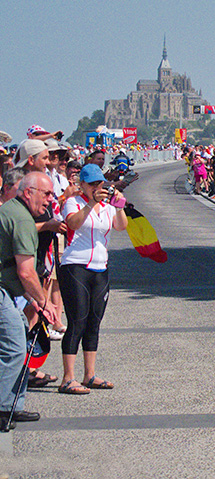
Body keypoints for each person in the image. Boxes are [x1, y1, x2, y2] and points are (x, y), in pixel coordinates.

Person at [58, 164, 128, 394]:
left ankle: (90, 374)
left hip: (100, 267)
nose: (98, 188)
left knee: (94, 322)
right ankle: (68, 377)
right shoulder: (74, 202)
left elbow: (121, 226)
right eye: (93, 185)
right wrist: (90, 203)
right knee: (77, 320)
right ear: (83, 186)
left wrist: (118, 206)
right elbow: (73, 223)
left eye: (101, 183)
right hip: (75, 265)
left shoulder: (106, 206)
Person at [0, 172, 58, 425]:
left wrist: (34, 301)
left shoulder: (13, 210)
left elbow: (13, 269)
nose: (50, 199)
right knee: (14, 346)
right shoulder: (22, 220)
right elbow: (25, 271)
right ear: (28, 192)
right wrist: (45, 302)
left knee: (21, 338)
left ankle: (12, 404)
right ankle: (3, 407)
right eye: (45, 193)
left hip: (6, 287)